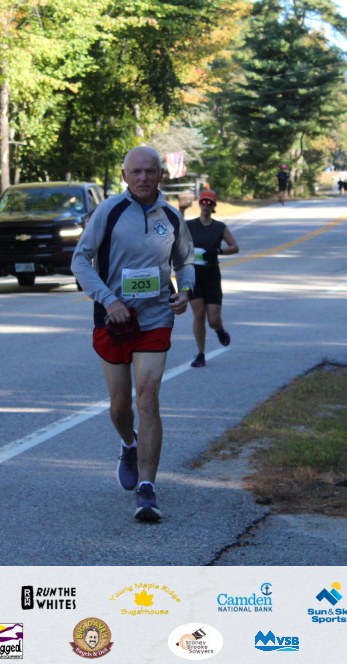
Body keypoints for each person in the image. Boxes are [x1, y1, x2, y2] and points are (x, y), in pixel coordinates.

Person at [71, 145, 195, 522]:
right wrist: (109, 300)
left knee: (147, 397)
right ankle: (128, 443)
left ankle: (147, 488)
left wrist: (185, 292)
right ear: (124, 176)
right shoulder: (109, 211)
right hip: (113, 320)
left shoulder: (171, 216)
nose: (143, 178)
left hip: (155, 318)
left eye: (150, 171)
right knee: (120, 405)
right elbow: (80, 260)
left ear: (161, 175)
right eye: (136, 172)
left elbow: (185, 261)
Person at [186, 190, 239, 368]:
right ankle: (200, 354)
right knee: (199, 314)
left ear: (214, 206)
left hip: (212, 276)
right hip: (193, 275)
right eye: (204, 202)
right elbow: (175, 242)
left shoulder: (219, 227)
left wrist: (218, 251)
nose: (206, 205)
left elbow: (235, 247)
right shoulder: (189, 225)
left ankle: (219, 330)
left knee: (213, 320)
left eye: (210, 203)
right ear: (199, 203)